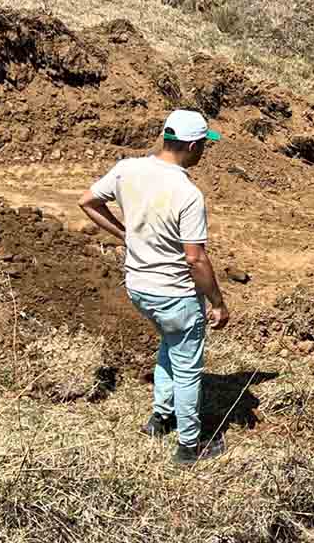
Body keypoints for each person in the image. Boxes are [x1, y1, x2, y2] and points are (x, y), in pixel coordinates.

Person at [77, 109, 231, 466]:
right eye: (204, 146)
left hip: (139, 288)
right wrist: (218, 302)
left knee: (169, 343)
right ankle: (190, 446)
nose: (204, 152)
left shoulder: (127, 169)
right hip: (175, 294)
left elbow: (87, 201)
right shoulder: (187, 193)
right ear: (193, 145)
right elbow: (195, 260)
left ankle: (160, 418)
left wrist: (125, 234)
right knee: (188, 367)